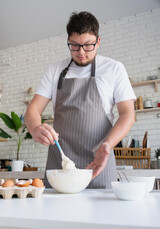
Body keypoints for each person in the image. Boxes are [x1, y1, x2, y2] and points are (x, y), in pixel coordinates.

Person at [25, 11, 136, 188]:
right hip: (60, 165)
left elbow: (128, 114)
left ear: (98, 42)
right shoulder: (55, 70)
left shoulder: (114, 69)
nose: (81, 52)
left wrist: (108, 144)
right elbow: (33, 110)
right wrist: (35, 127)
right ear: (68, 40)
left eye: (88, 45)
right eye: (74, 46)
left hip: (99, 162)